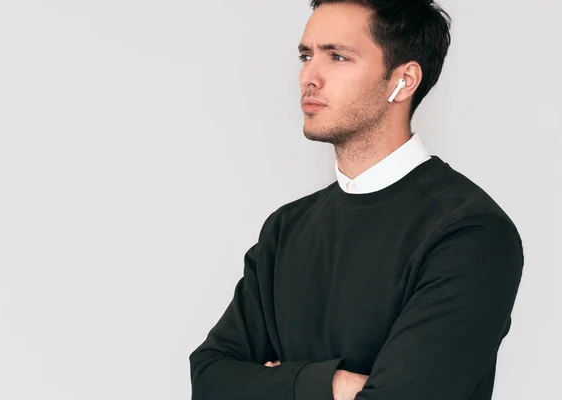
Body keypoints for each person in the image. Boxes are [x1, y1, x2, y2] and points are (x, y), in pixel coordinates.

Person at [189, 1, 524, 399]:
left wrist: (276, 383)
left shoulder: (470, 233)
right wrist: (337, 385)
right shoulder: (286, 228)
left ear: (404, 81)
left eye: (338, 56)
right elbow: (209, 378)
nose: (309, 77)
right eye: (306, 55)